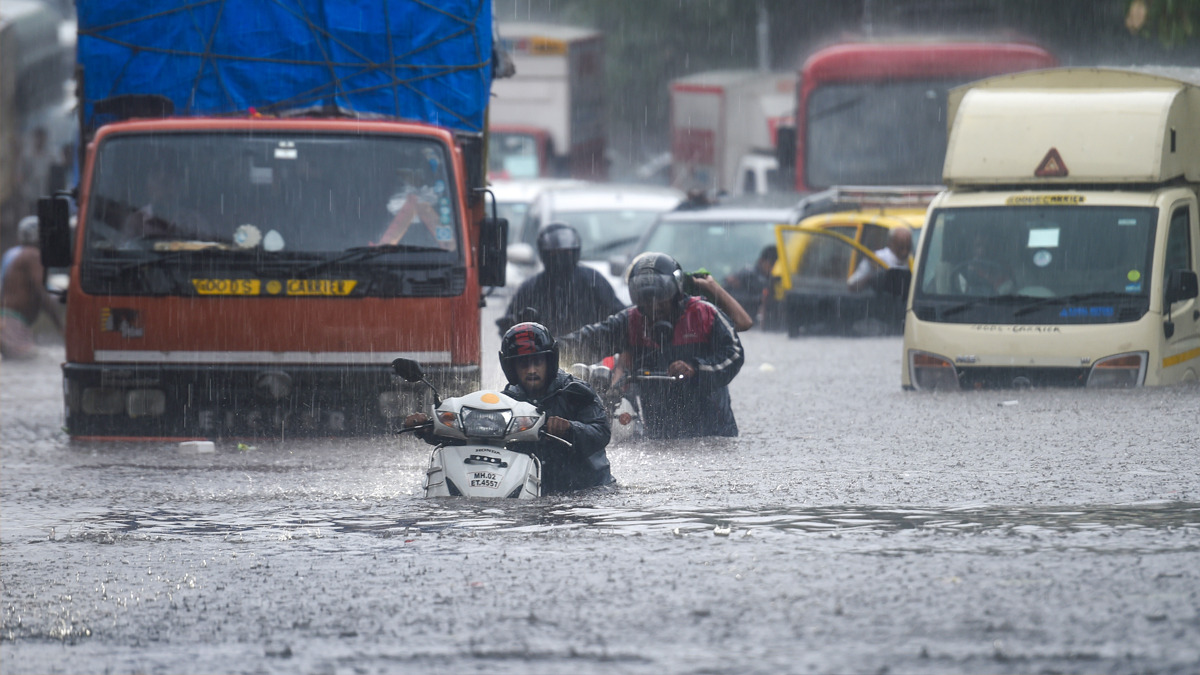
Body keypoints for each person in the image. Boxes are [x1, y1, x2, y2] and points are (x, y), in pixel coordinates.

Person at [404, 322, 614, 493]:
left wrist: (570, 428)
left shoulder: (576, 392)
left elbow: (601, 433)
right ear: (511, 367)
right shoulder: (507, 401)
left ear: (550, 361)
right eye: (523, 364)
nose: (531, 370)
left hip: (587, 489)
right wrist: (431, 430)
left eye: (537, 362)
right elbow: (473, 438)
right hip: (531, 489)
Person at [561, 252, 744, 439]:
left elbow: (735, 354)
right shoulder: (631, 321)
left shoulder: (705, 313)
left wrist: (695, 368)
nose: (653, 306)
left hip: (715, 432)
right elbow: (589, 340)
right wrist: (548, 350)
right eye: (646, 300)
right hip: (660, 433)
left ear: (676, 293)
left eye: (660, 298)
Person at [497, 223, 626, 338]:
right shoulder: (530, 288)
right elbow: (509, 328)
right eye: (555, 254)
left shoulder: (592, 281)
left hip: (591, 355)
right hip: (546, 358)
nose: (561, 259)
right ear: (545, 254)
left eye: (567, 253)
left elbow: (619, 315)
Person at [1, 216, 62, 359]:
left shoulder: (15, 254)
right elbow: (42, 290)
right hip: (12, 323)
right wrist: (60, 324)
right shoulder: (33, 256)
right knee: (34, 361)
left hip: (7, 321)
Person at [121, 159, 215, 243]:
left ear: (179, 188)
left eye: (168, 181)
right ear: (148, 187)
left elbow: (207, 253)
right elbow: (126, 253)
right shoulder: (136, 221)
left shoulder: (195, 222)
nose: (163, 188)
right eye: (157, 180)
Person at [723, 244, 778, 326]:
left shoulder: (770, 279)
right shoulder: (748, 275)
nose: (773, 268)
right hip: (740, 321)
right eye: (771, 264)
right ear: (762, 261)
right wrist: (759, 299)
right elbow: (732, 297)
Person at [847, 227, 913, 291]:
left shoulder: (913, 261)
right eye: (901, 247)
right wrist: (874, 277)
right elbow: (853, 286)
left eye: (908, 247)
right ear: (891, 244)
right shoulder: (876, 259)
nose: (905, 252)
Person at [19, 127, 54, 217]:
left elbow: (54, 175)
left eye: (42, 138)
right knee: (32, 216)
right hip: (31, 194)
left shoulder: (50, 155)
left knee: (45, 216)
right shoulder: (27, 156)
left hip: (45, 193)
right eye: (38, 137)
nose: (40, 140)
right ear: (34, 138)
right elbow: (22, 174)